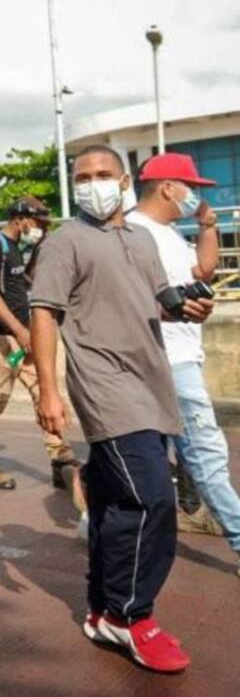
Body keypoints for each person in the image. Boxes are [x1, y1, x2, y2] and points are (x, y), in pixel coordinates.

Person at [31, 144, 213, 674]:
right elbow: (44, 312)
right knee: (151, 498)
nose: (93, 183)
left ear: (125, 179)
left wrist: (189, 305)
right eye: (82, 176)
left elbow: (158, 297)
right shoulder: (66, 240)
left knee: (114, 501)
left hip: (152, 383)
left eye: (103, 174)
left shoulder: (141, 238)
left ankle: (100, 608)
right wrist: (47, 391)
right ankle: (132, 616)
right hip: (105, 386)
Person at [129, 153, 240, 578]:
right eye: (192, 188)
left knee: (150, 456)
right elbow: (127, 299)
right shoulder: (136, 233)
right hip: (167, 362)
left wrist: (208, 226)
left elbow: (204, 271)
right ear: (169, 188)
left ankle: (99, 520)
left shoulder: (169, 233)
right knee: (207, 454)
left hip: (177, 357)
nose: (196, 196)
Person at [0, 197, 80, 490]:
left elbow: (23, 284)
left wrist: (37, 253)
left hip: (24, 338)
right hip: (0, 337)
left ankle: (60, 457)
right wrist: (19, 331)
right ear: (20, 218)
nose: (40, 229)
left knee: (44, 392)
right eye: (38, 224)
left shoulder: (17, 248)